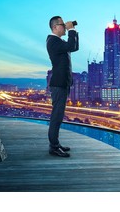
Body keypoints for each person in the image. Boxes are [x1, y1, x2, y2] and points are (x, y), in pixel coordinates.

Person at [46, 16, 79, 157]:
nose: (65, 26)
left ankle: (56, 144)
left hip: (63, 83)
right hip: (59, 84)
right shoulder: (53, 41)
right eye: (62, 24)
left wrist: (74, 31)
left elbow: (75, 47)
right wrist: (71, 29)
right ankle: (53, 146)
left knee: (58, 115)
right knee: (57, 116)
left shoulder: (58, 42)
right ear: (55, 27)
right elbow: (71, 46)